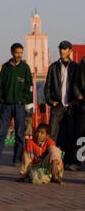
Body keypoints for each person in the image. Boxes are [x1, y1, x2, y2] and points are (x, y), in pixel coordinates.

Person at [0, 43, 33, 168]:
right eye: (17, 52)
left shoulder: (25, 68)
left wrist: (23, 100)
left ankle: (17, 159)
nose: (19, 55)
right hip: (6, 106)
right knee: (1, 133)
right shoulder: (6, 68)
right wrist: (0, 98)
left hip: (19, 107)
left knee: (19, 134)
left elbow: (29, 87)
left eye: (21, 52)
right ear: (12, 52)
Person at [44, 41, 79, 170]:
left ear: (70, 50)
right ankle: (49, 160)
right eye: (61, 49)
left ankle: (69, 161)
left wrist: (76, 100)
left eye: (65, 49)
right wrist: (50, 101)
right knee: (52, 134)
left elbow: (78, 85)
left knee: (71, 135)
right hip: (57, 106)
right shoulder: (53, 67)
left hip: (70, 106)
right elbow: (47, 86)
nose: (62, 51)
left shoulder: (75, 67)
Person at [72, 55, 85, 169]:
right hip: (84, 105)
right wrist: (79, 96)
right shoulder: (82, 64)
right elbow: (75, 83)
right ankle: (78, 161)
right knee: (81, 134)